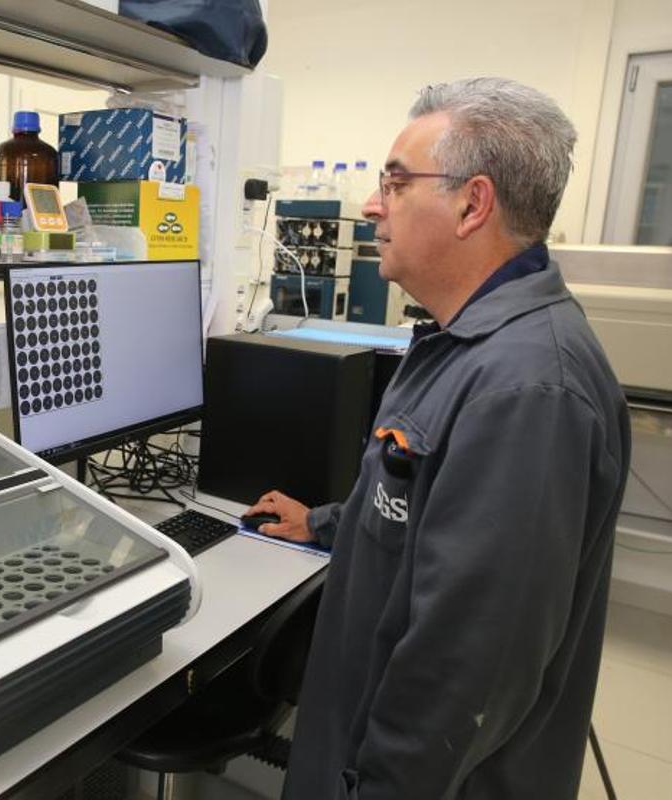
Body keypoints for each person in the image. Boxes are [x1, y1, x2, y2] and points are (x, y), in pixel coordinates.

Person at [246, 78, 631, 799]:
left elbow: (465, 670)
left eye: (394, 181)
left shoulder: (526, 391)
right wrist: (327, 522)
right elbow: (423, 513)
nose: (370, 204)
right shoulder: (460, 345)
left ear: (472, 203)